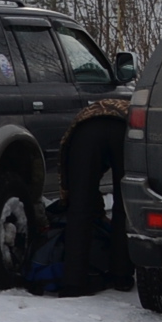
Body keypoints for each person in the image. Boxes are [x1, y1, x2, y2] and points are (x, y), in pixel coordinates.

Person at [56, 95, 132, 296]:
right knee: (124, 205)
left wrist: (71, 196)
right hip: (124, 130)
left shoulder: (87, 118)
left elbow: (74, 180)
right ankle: (122, 276)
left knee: (79, 208)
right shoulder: (135, 110)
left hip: (85, 132)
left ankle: (73, 283)